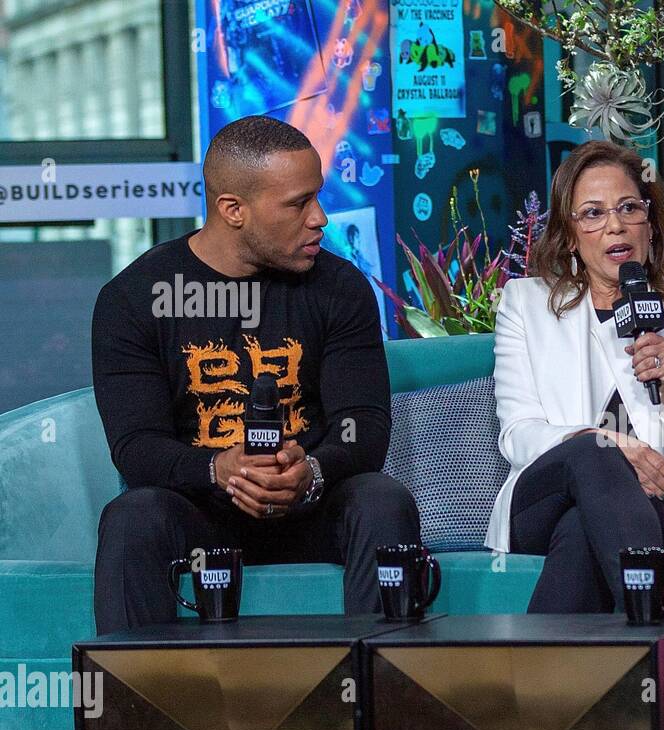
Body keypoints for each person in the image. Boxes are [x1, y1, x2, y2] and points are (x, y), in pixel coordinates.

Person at [91, 115, 419, 635]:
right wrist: (219, 470)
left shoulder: (339, 288)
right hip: (201, 515)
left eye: (317, 197)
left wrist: (309, 470)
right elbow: (136, 445)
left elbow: (364, 426)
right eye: (297, 204)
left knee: (382, 498)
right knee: (133, 516)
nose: (320, 219)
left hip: (311, 506)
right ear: (232, 210)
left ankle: (375, 701)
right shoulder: (134, 299)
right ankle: (137, 710)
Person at [487, 140, 664, 612]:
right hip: (543, 500)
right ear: (569, 234)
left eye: (629, 207)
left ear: (650, 223)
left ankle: (544, 680)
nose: (615, 225)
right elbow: (519, 437)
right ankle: (654, 642)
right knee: (594, 454)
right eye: (592, 213)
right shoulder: (525, 305)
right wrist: (610, 448)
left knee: (582, 528)